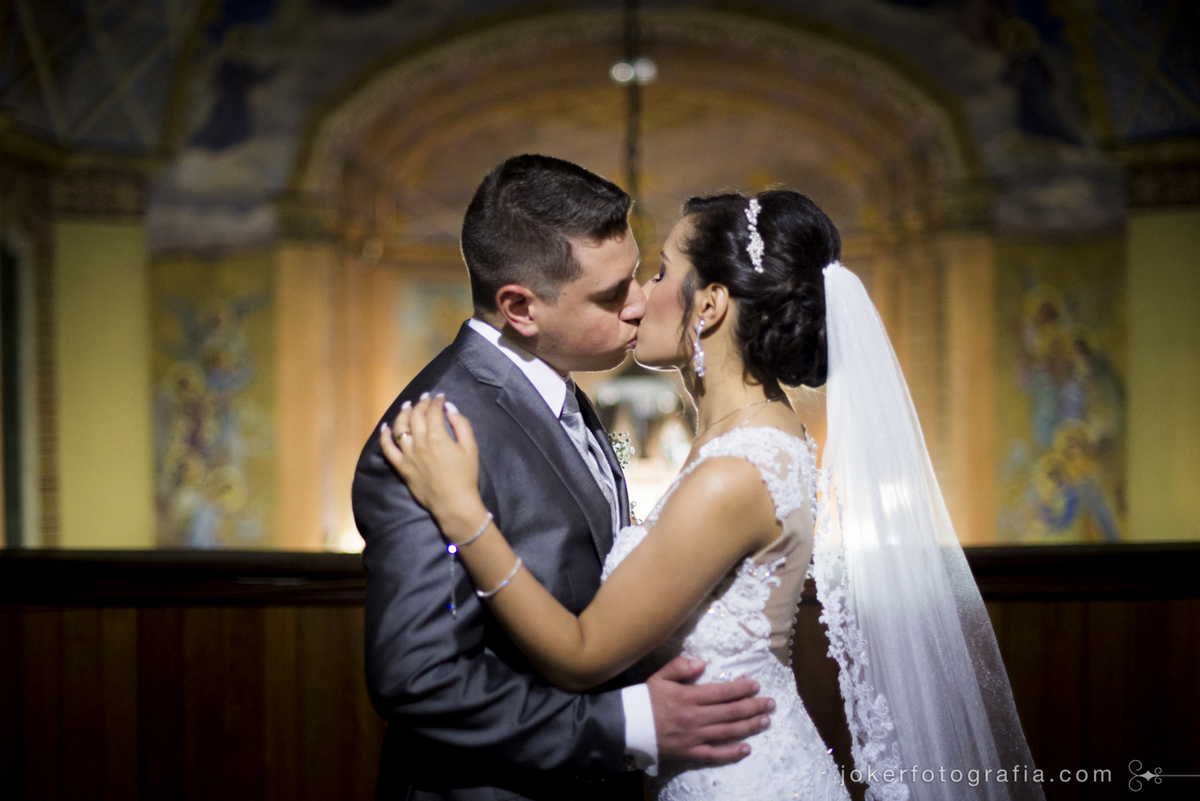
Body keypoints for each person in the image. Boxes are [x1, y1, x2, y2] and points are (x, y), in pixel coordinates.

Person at [382, 190, 1048, 801]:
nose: (641, 299)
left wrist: (464, 513)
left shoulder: (735, 470)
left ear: (709, 304)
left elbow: (583, 651)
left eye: (660, 272)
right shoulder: (751, 431)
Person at [351, 156, 774, 801]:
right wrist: (626, 723)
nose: (638, 304)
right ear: (520, 308)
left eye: (636, 277)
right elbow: (421, 677)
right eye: (611, 294)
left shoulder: (558, 384)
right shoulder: (435, 435)